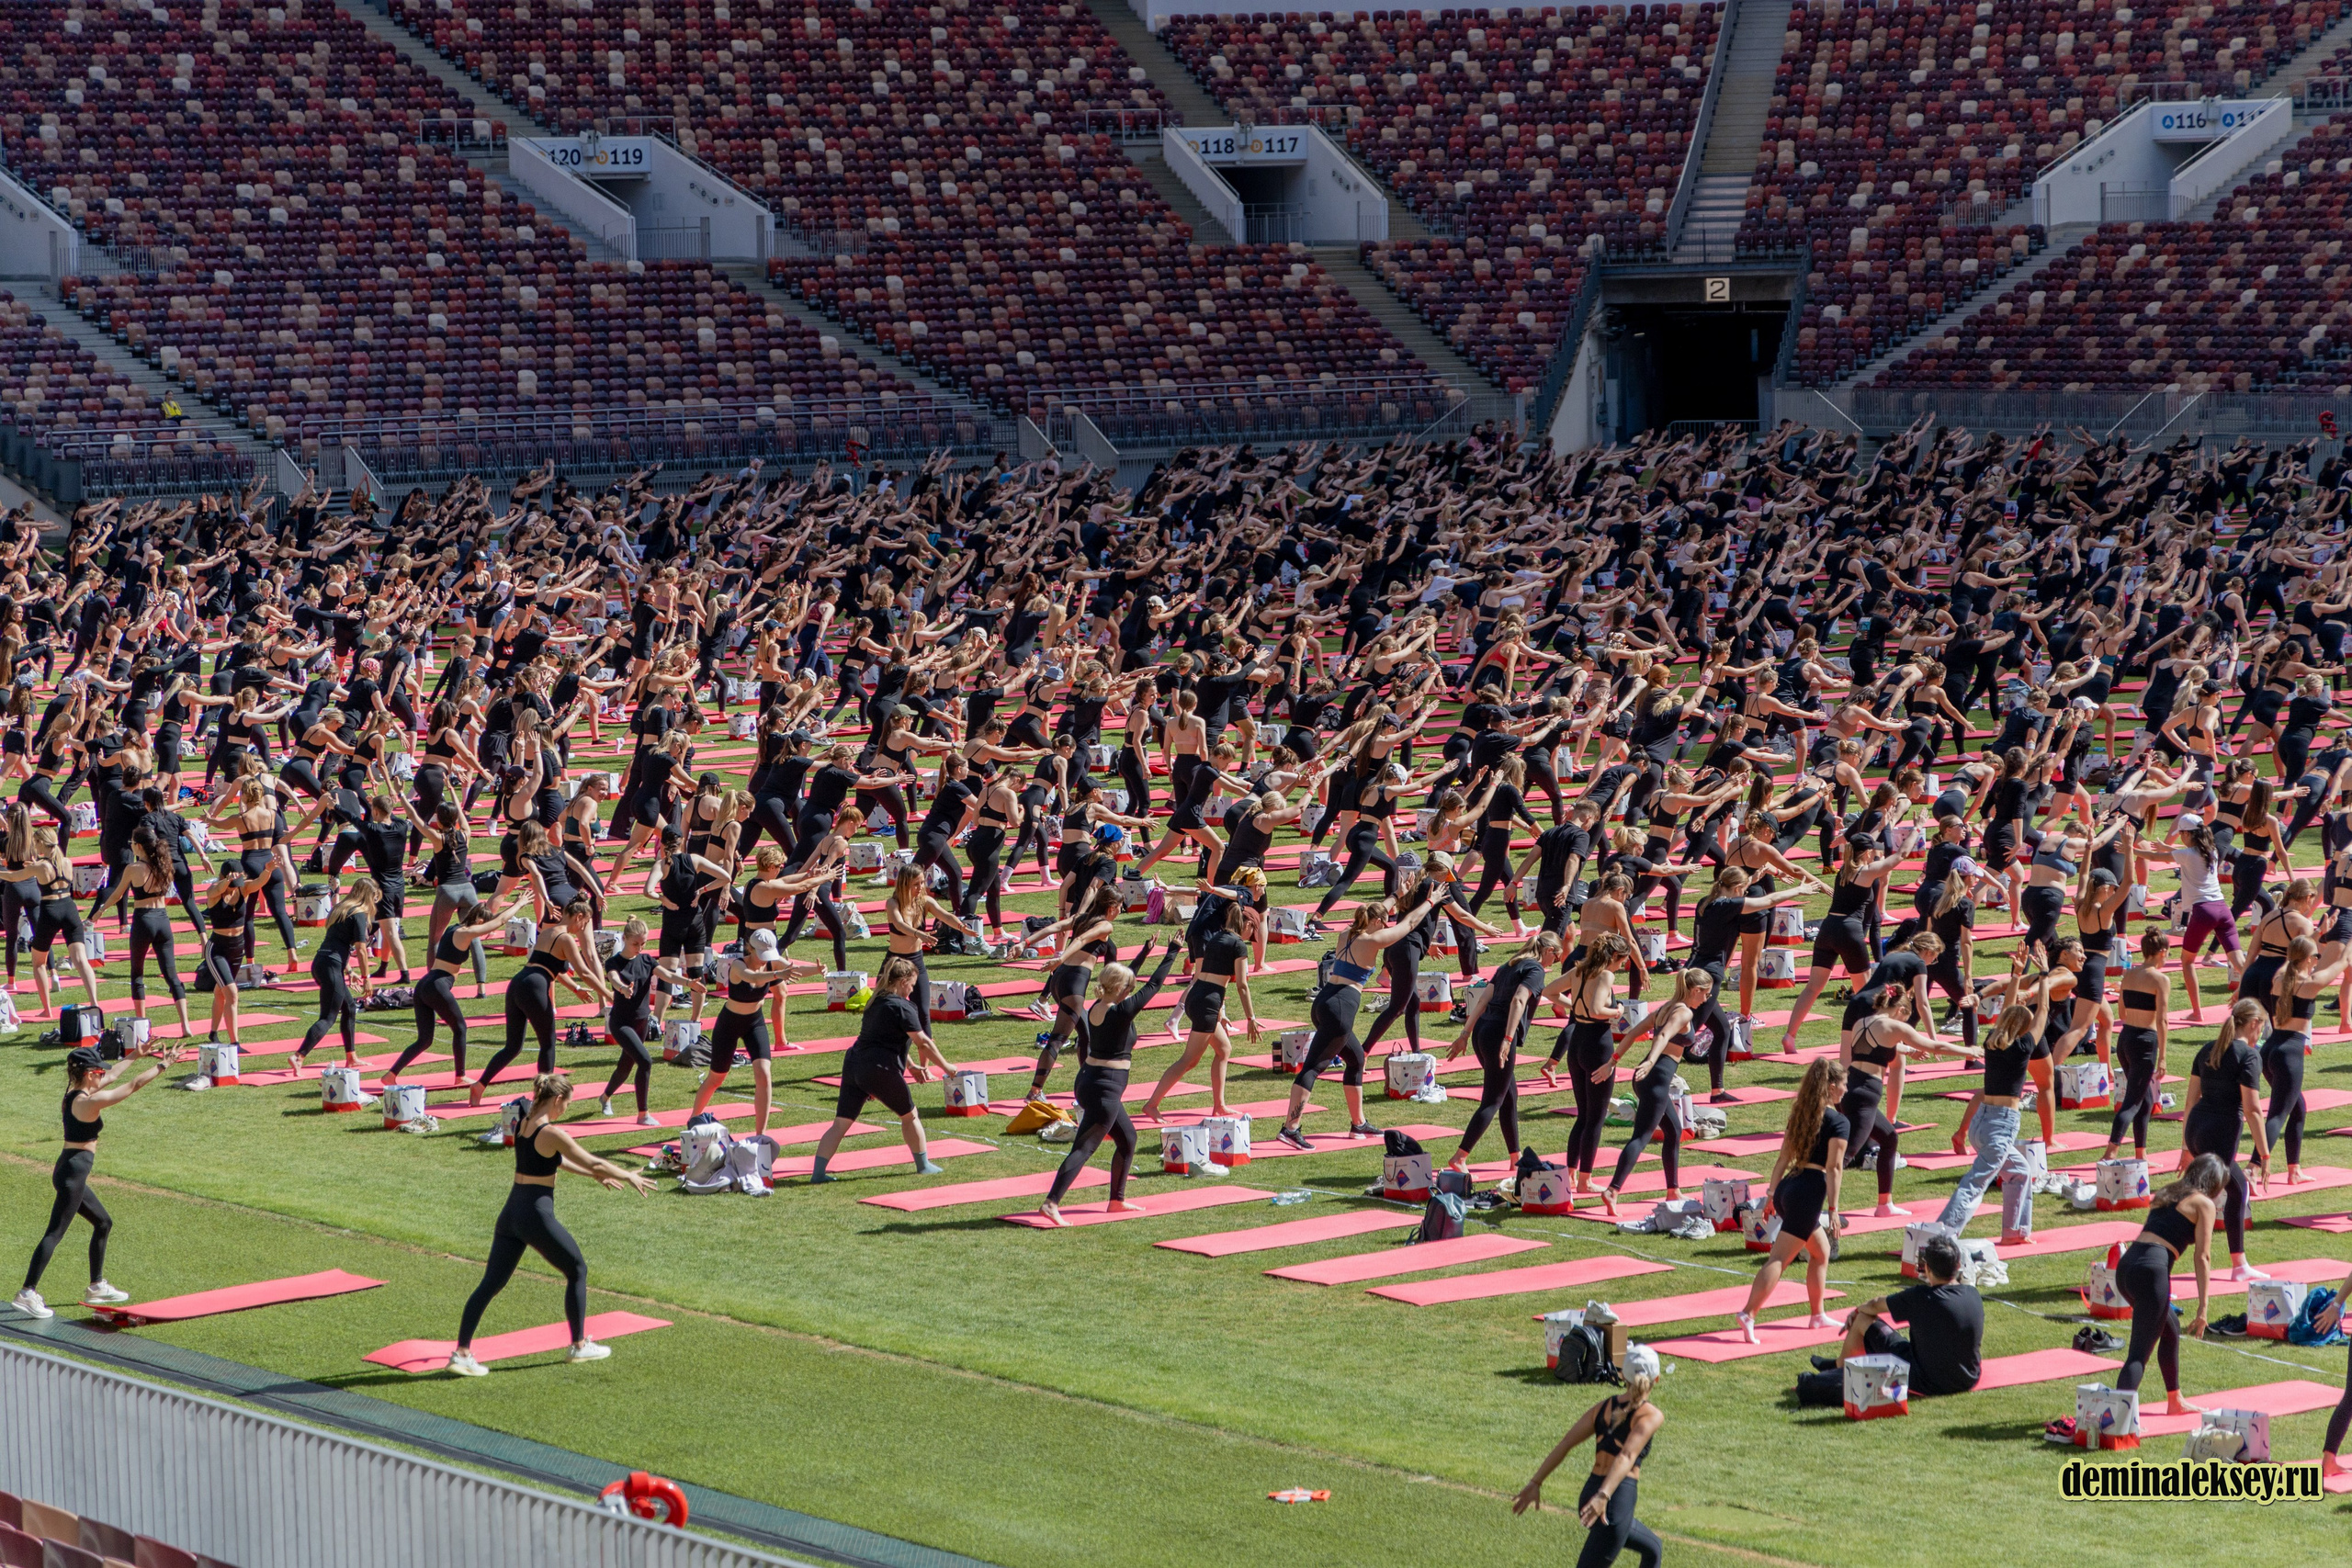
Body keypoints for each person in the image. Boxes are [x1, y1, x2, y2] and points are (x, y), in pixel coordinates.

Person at [442, 1071, 654, 1377]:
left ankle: (461, 1354)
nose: (564, 1110)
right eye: (566, 1104)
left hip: (512, 1212)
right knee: (577, 1269)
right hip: (535, 1215)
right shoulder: (552, 1132)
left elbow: (553, 1160)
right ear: (557, 1100)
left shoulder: (524, 1123)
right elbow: (591, 1159)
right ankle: (579, 1346)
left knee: (491, 1283)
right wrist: (627, 1174)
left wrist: (594, 1175)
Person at [14, 1040, 177, 1318]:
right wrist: (163, 1065)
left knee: (103, 1222)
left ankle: (97, 1285)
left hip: (69, 1170)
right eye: (99, 1072)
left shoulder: (75, 1093)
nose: (104, 1074)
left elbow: (114, 1074)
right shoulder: (90, 1102)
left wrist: (135, 1055)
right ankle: (27, 1292)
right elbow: (133, 1085)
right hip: (72, 1175)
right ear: (89, 1074)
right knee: (54, 1233)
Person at [1038, 942, 1182, 1225]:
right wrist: (1172, 953)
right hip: (1104, 1089)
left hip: (1091, 1082)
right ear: (1121, 989)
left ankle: (1116, 1200)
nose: (1130, 989)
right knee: (1084, 1147)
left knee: (1127, 1140)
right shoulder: (1121, 1012)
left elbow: (1126, 982)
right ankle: (1051, 1202)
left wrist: (1143, 954)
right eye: (1127, 986)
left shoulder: (1097, 1008)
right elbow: (1153, 985)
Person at [1511, 1342, 1666, 1568]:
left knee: (1653, 1549)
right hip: (1612, 1502)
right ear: (1657, 1379)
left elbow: (1566, 1443)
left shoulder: (1603, 1407)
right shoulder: (1651, 1415)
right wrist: (1604, 1496)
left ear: (1623, 1376)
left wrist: (1536, 1481)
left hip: (1590, 1495)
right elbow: (1626, 1456)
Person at [808, 955, 956, 1182]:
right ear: (903, 981)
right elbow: (923, 1042)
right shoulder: (903, 1007)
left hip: (854, 1063)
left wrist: (912, 1065)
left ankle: (818, 1174)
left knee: (840, 1122)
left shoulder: (875, 1001)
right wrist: (947, 1066)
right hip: (877, 1068)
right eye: (912, 985)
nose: (913, 990)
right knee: (910, 1115)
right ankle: (923, 1165)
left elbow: (886, 1038)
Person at [1736, 1056, 1849, 1342]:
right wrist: (1833, 1209)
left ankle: (1817, 1314)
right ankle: (1748, 1313)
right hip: (1808, 1192)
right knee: (1779, 1259)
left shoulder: (1801, 1114)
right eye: (1844, 1085)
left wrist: (1772, 1194)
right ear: (1832, 1087)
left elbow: (1784, 1158)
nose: (1846, 1090)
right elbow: (1834, 1168)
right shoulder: (1839, 1122)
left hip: (1790, 1187)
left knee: (1820, 1252)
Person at [1796, 1231, 1984, 1402]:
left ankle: (1837, 1367)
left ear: (1926, 1268)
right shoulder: (1972, 1294)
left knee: (1864, 1319)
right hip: (1968, 1378)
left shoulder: (1920, 1297)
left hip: (1926, 1381)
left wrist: (1856, 1311)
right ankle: (1840, 1365)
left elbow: (1875, 1304)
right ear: (1958, 1265)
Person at [2111, 1154, 2228, 1418]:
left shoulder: (2168, 1191)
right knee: (2138, 1353)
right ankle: (2119, 1421)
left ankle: (2175, 1400)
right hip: (2150, 1271)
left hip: (2127, 1267)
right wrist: (2203, 1307)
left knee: (2171, 1327)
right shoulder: (2204, 1204)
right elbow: (2203, 1256)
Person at [2179, 998, 2274, 1282]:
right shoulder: (2249, 1055)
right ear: (2255, 1024)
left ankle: (2239, 1265)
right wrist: (2265, 1155)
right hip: (2218, 1133)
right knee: (2212, 1195)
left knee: (2230, 1189)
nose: (2261, 1034)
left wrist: (2186, 1146)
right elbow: (2254, 1109)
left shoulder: (2209, 1048)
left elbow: (2190, 1100)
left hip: (2197, 1128)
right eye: (2262, 1028)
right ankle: (2162, 1248)